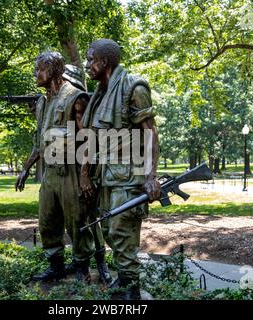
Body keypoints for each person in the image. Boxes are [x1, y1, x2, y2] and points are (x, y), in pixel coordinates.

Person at [80, 39, 161, 299]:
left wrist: (151, 177)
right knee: (108, 231)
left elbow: (150, 135)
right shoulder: (100, 95)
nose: (87, 65)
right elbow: (94, 139)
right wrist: (84, 174)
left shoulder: (133, 87)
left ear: (104, 62)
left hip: (128, 177)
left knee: (121, 232)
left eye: (90, 60)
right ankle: (124, 281)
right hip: (105, 176)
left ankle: (131, 291)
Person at [15, 52, 95, 283]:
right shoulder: (42, 102)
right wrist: (26, 168)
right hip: (50, 172)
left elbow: (89, 139)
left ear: (53, 70)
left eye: (39, 68)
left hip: (71, 170)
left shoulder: (75, 98)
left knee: (77, 222)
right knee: (47, 222)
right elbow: (41, 141)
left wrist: (84, 175)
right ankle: (56, 266)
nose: (35, 74)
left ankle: (82, 268)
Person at [61, 64, 113, 285]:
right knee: (76, 218)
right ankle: (85, 262)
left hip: (86, 165)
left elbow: (87, 132)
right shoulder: (67, 102)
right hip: (72, 165)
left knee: (90, 217)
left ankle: (101, 262)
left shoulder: (80, 100)